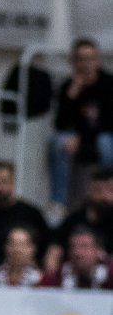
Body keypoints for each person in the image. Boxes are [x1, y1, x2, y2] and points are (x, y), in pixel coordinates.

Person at [48, 37, 113, 217]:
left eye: (90, 59)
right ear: (73, 62)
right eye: (81, 59)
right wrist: (72, 94)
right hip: (79, 142)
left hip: (100, 140)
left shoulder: (108, 84)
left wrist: (82, 140)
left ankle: (109, 193)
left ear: (97, 60)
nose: (86, 64)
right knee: (58, 142)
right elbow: (60, 124)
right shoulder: (68, 87)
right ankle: (59, 203)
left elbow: (109, 125)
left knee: (105, 142)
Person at [45, 166, 113, 275]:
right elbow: (54, 252)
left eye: (110, 190)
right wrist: (52, 278)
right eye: (98, 190)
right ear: (89, 191)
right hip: (73, 277)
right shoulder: (73, 221)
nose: (106, 197)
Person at [41, 225, 109, 289]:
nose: (77, 253)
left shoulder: (110, 275)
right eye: (73, 247)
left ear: (98, 250)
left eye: (84, 246)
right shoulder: (58, 277)